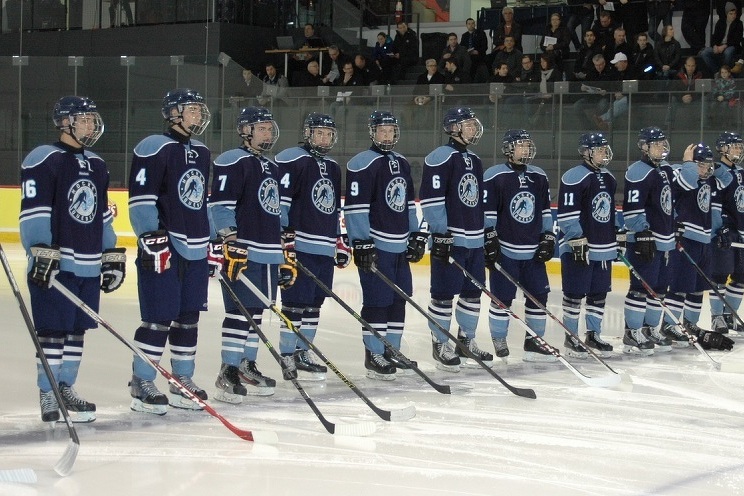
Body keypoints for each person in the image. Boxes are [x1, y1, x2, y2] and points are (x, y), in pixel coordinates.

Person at [20, 96, 122, 423]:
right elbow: (35, 209)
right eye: (84, 119)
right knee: (53, 329)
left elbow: (102, 214)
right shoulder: (44, 158)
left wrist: (110, 253)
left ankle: (66, 387)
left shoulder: (97, 163)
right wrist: (39, 248)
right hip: (56, 261)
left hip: (88, 262)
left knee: (78, 329)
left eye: (92, 119)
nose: (91, 125)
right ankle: (48, 392)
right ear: (65, 122)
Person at [127, 88, 211, 415]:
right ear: (173, 113)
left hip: (195, 245)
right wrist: (150, 234)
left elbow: (200, 201)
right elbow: (141, 197)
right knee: (158, 317)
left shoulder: (201, 151)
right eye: (192, 109)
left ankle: (181, 381)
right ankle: (142, 382)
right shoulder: (154, 146)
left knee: (188, 318)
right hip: (164, 244)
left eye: (199, 109)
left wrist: (212, 239)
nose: (198, 115)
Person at [209, 107, 294, 403]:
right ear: (245, 131)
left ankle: (247, 365)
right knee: (239, 311)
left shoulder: (272, 166)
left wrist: (283, 246)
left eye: (270, 128)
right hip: (243, 249)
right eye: (261, 128)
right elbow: (220, 204)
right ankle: (228, 370)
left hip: (268, 250)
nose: (267, 133)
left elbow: (274, 210)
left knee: (257, 312)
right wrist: (229, 239)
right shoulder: (232, 160)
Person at [345, 111, 427, 379]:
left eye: (391, 131)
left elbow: (407, 203)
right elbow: (356, 207)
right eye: (383, 130)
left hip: (399, 245)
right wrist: (361, 241)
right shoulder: (362, 163)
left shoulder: (401, 162)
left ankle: (392, 350)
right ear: (372, 132)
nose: (388, 135)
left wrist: (415, 234)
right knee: (377, 301)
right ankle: (374, 354)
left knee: (399, 299)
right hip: (376, 244)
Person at [274, 113, 347, 381]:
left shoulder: (333, 166)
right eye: (319, 133)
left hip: (324, 246)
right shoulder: (292, 159)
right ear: (308, 133)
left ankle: (303, 352)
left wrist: (338, 239)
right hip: (300, 244)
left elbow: (333, 208)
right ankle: (286, 354)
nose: (324, 139)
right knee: (295, 302)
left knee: (315, 303)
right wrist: (284, 237)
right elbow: (280, 201)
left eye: (328, 134)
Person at [419, 107, 493, 372]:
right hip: (450, 239)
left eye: (473, 124)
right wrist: (440, 232)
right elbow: (432, 199)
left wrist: (486, 231)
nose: (473, 129)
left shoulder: (475, 159)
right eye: (468, 125)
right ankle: (440, 343)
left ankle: (466, 341)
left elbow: (478, 201)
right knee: (443, 294)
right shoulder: (439, 157)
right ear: (453, 128)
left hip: (474, 239)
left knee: (472, 293)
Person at [483, 130, 557, 362]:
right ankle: (499, 337)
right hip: (506, 249)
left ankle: (534, 341)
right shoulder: (495, 175)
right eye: (520, 145)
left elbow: (545, 210)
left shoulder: (539, 176)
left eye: (527, 145)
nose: (525, 150)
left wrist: (548, 236)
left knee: (539, 296)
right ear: (508, 149)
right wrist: (489, 237)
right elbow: (488, 212)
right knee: (502, 297)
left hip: (532, 250)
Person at [660, 144, 733, 350]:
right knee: (680, 286)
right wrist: (689, 163)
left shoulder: (709, 179)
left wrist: (712, 165)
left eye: (708, 165)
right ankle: (669, 324)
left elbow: (727, 179)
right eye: (702, 165)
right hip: (686, 238)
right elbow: (687, 182)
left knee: (698, 288)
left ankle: (690, 324)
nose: (706, 169)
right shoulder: (680, 172)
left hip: (704, 239)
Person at [557, 133, 617, 359]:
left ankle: (593, 335)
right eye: (599, 149)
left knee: (598, 293)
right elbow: (567, 214)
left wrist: (616, 234)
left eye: (604, 149)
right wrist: (576, 239)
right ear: (586, 152)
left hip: (603, 247)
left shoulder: (609, 177)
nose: (604, 153)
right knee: (574, 293)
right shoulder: (574, 176)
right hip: (579, 246)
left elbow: (609, 211)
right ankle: (571, 337)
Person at [621, 126, 675, 355]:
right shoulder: (637, 171)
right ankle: (632, 332)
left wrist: (675, 224)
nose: (661, 148)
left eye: (663, 143)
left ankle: (650, 328)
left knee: (660, 288)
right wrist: (641, 231)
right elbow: (632, 207)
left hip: (665, 240)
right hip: (646, 239)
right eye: (656, 144)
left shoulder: (665, 169)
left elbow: (668, 202)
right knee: (640, 288)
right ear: (644, 147)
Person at [709, 132, 744, 333]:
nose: (738, 150)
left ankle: (730, 316)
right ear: (722, 148)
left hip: (741, 231)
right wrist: (719, 226)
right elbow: (713, 202)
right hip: (725, 231)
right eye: (734, 146)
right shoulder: (716, 172)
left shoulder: (741, 172)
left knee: (741, 276)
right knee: (720, 275)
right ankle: (717, 317)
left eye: (740, 146)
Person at [700, 3, 743, 76]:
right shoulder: (721, 22)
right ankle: (717, 72)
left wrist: (724, 46)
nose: (733, 16)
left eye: (734, 13)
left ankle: (725, 72)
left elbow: (736, 40)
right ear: (726, 14)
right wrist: (714, 46)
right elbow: (715, 37)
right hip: (719, 45)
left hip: (731, 46)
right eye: (731, 14)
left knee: (728, 52)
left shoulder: (739, 23)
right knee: (704, 53)